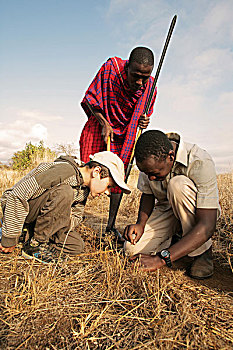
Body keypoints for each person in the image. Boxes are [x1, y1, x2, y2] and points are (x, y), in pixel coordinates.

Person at [0, 151, 130, 263]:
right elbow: (17, 195)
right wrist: (9, 237)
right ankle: (34, 245)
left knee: (76, 245)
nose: (107, 193)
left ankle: (28, 235)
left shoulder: (84, 190)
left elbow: (76, 217)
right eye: (108, 186)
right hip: (22, 209)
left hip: (41, 220)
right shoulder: (64, 171)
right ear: (96, 172)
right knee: (65, 193)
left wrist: (61, 220)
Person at [79, 47, 157, 233]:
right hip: (100, 125)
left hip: (127, 133)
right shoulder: (111, 69)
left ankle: (110, 225)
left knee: (119, 176)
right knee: (87, 171)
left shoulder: (150, 87)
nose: (139, 82)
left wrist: (144, 120)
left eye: (144, 78)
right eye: (135, 75)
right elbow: (90, 99)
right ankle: (76, 215)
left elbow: (145, 113)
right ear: (128, 67)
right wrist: (104, 122)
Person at [124, 130, 220, 279]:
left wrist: (161, 259)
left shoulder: (199, 161)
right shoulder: (149, 161)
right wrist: (140, 223)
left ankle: (202, 253)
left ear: (170, 156)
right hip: (167, 210)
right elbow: (148, 194)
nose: (151, 177)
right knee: (131, 249)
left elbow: (207, 225)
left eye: (155, 173)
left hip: (196, 212)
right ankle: (178, 242)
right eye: (147, 173)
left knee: (177, 185)